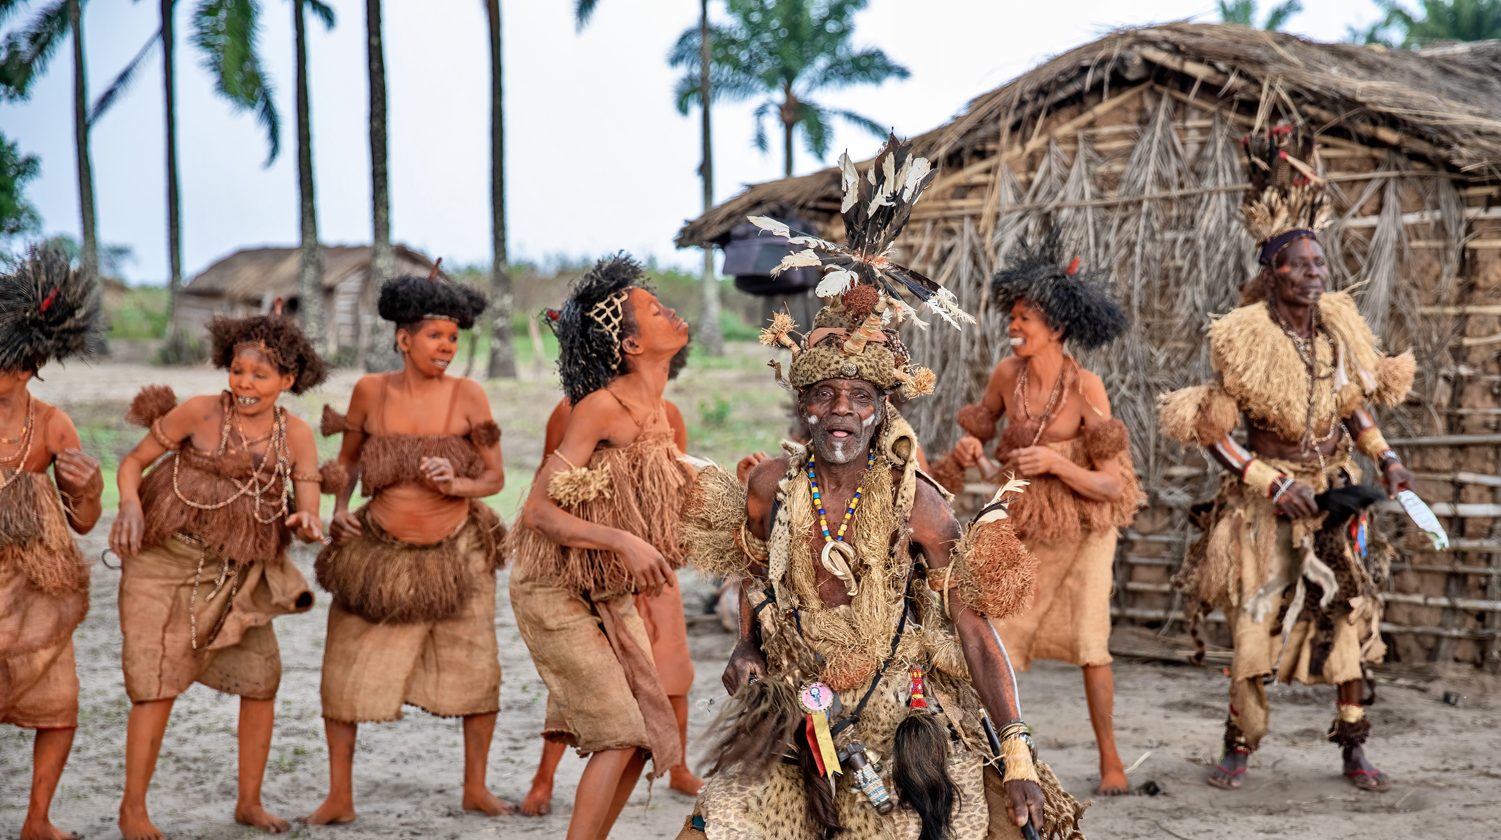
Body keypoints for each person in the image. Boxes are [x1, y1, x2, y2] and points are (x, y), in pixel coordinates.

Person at [676, 137, 1083, 839]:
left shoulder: (918, 504)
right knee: (721, 823)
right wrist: (746, 648)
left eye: (860, 397)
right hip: (795, 707)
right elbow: (755, 578)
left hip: (897, 710)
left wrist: (1016, 753)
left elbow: (973, 629)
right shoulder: (771, 486)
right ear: (804, 406)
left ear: (881, 410)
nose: (842, 411)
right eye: (826, 395)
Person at [1158, 125, 1415, 792]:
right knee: (1256, 617)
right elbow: (1212, 428)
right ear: (1272, 271)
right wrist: (1269, 483)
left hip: (1333, 493)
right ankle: (1239, 743)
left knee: (1348, 610)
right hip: (1265, 503)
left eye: (1319, 264)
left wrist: (1384, 457)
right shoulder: (1242, 337)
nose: (1314, 274)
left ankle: (1353, 745)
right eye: (1300, 265)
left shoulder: (1335, 331)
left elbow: (1353, 404)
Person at [937, 229, 1142, 795]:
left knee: (1090, 643)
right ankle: (996, 753)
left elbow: (1111, 484)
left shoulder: (1087, 388)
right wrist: (971, 454)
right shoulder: (1007, 376)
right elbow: (991, 459)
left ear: (1056, 328)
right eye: (1013, 316)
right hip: (1026, 523)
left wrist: (1055, 462)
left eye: (1025, 318)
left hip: (1086, 531)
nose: (1014, 325)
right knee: (995, 632)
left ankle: (1111, 759)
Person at [111, 303, 327, 839]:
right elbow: (133, 462)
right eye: (237, 370)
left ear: (288, 380)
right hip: (165, 564)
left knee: (261, 681)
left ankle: (249, 803)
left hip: (239, 576)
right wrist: (131, 504)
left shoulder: (296, 435)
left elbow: (308, 505)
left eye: (260, 374)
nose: (245, 383)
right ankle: (133, 809)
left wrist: (306, 522)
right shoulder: (200, 412)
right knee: (156, 682)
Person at [303, 272, 508, 824]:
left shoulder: (469, 396)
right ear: (403, 339)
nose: (447, 347)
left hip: (459, 553)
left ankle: (476, 788)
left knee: (476, 667)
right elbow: (347, 463)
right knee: (344, 668)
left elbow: (493, 477)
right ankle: (339, 797)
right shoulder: (371, 392)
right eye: (435, 336)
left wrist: (455, 484)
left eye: (453, 338)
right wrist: (339, 509)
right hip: (379, 552)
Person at [507, 254, 696, 840]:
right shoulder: (600, 408)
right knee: (619, 732)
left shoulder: (659, 412)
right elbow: (538, 511)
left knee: (648, 735)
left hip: (604, 587)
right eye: (655, 311)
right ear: (632, 345)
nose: (671, 311)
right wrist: (623, 542)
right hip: (553, 590)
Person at [0, 246, 105, 840]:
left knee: (57, 705)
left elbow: (83, 522)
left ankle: (37, 820)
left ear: (28, 365)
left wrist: (88, 489)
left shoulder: (51, 426)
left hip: (37, 592)